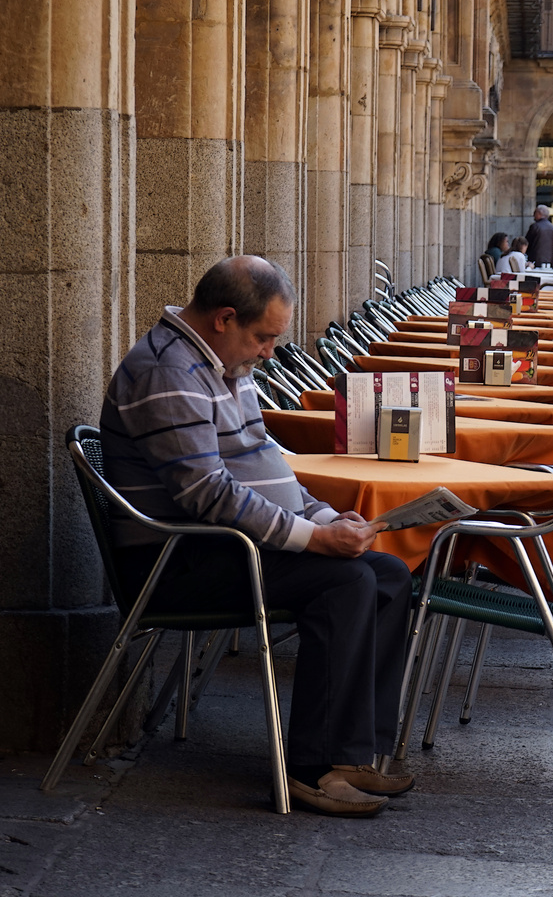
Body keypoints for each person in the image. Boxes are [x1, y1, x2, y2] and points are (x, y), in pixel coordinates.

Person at [100, 257, 413, 817]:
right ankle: (311, 770)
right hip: (178, 561)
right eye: (263, 336)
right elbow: (207, 493)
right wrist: (315, 542)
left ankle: (353, 753)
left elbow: (265, 467)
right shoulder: (168, 372)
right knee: (341, 582)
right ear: (224, 318)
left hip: (223, 547)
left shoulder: (223, 366)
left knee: (388, 572)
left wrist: (324, 518)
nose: (270, 351)